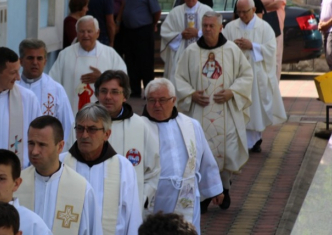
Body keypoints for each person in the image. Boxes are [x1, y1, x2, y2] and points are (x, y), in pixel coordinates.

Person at [174, 11, 253, 211]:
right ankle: (205, 194)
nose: (208, 29)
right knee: (200, 152)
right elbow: (179, 77)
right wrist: (191, 94)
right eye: (205, 25)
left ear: (220, 28)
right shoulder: (191, 52)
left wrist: (232, 92)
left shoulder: (232, 50)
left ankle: (224, 188)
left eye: (212, 26)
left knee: (225, 151)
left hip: (225, 110)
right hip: (198, 113)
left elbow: (246, 75)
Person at [141, 79, 224, 232]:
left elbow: (205, 158)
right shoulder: (139, 126)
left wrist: (215, 189)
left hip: (186, 192)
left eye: (162, 100)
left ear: (173, 100)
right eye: (152, 100)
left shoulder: (191, 125)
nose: (157, 105)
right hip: (155, 194)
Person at [61, 104, 142, 234]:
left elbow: (133, 217)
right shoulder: (61, 163)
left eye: (92, 129)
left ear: (107, 134)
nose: (84, 135)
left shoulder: (123, 167)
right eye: (80, 128)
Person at [15, 116, 103, 235]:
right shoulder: (15, 184)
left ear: (60, 146)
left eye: (42, 145)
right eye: (31, 143)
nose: (34, 151)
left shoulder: (81, 190)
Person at [90, 70, 160, 215]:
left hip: (128, 207)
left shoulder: (140, 126)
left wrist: (143, 196)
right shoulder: (83, 124)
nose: (108, 97)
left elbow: (154, 169)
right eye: (104, 91)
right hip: (91, 205)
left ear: (125, 96)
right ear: (96, 94)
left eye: (115, 92)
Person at [224, 0, 287, 152]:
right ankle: (239, 140)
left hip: (256, 75)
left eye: (245, 12)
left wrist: (252, 46)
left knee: (254, 108)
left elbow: (271, 50)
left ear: (253, 10)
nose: (242, 15)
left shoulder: (264, 27)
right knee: (239, 107)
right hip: (236, 75)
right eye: (239, 12)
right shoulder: (231, 27)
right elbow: (223, 47)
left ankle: (255, 140)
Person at [50, 16, 127, 115]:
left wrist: (102, 78)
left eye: (89, 31)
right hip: (71, 113)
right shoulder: (65, 54)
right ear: (77, 34)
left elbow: (123, 80)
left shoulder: (110, 54)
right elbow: (53, 82)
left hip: (102, 114)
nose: (85, 35)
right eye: (82, 31)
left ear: (97, 33)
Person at [18, 38, 74, 146]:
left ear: (45, 61)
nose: (35, 62)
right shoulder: (12, 87)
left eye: (39, 58)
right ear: (21, 61)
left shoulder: (56, 89)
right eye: (30, 58)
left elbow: (68, 126)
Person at [160, 0, 212, 86]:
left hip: (202, 55)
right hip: (180, 56)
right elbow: (165, 32)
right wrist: (180, 35)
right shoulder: (175, 12)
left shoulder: (207, 11)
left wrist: (198, 33)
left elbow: (216, 31)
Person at [120, 0, 161, 97]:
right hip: (129, 32)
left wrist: (153, 24)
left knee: (145, 61)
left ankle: (149, 90)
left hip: (143, 31)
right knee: (131, 61)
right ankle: (135, 90)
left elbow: (156, 11)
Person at [255, 0, 287, 80]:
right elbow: (253, 4)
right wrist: (268, 2)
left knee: (275, 59)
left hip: (275, 28)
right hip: (259, 27)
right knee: (260, 57)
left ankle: (274, 89)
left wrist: (260, 4)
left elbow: (277, 4)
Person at [318, 0, 332, 70]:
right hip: (325, 29)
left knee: (330, 54)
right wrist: (320, 23)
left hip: (330, 29)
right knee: (328, 56)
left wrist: (327, 24)